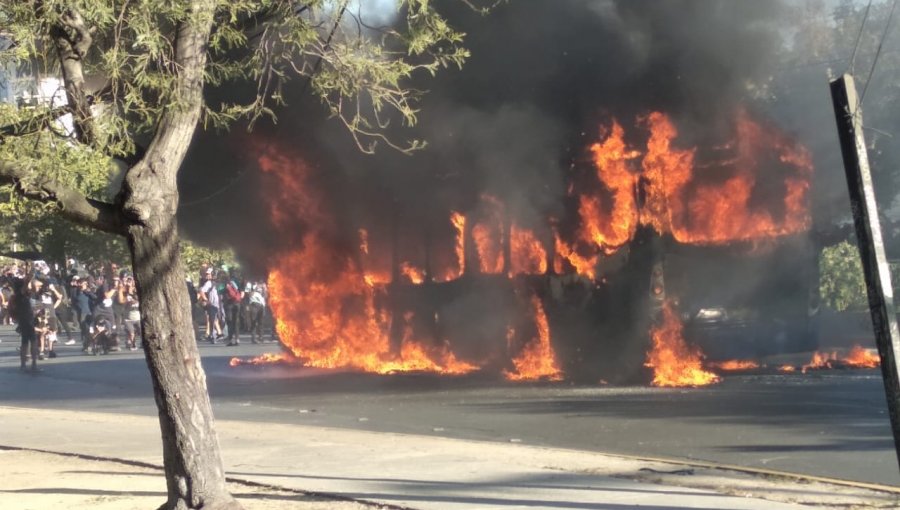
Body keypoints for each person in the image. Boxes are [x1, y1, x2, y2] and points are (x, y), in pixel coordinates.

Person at [9, 276, 39, 372]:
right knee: (32, 342)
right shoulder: (20, 294)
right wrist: (28, 279)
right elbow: (25, 286)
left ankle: (24, 365)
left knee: (25, 342)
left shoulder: (21, 295)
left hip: (25, 320)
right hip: (27, 320)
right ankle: (32, 364)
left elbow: (31, 288)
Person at [199, 271, 223, 343]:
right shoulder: (209, 283)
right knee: (212, 320)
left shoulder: (219, 284)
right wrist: (206, 300)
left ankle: (218, 333)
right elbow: (201, 290)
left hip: (219, 304)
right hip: (212, 304)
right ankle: (213, 336)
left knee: (217, 319)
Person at [118, 274, 141, 350]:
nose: (129, 282)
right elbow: (121, 301)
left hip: (137, 316)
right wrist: (127, 298)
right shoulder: (123, 291)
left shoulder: (137, 290)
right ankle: (133, 344)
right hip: (128, 317)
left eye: (131, 281)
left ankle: (130, 340)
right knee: (131, 332)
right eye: (128, 281)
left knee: (140, 331)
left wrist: (133, 297)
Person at [222, 271, 243, 346]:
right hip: (237, 303)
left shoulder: (224, 284)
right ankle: (237, 338)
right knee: (236, 321)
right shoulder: (236, 283)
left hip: (229, 304)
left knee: (229, 322)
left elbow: (220, 292)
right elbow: (240, 292)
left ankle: (230, 339)